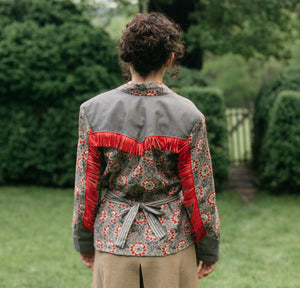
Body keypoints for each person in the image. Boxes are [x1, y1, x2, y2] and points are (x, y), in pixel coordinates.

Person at [72, 12, 220, 288]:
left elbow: (86, 188)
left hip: (113, 239)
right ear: (170, 59)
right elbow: (201, 194)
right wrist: (209, 248)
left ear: (126, 58)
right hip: (171, 242)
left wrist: (83, 240)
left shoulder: (92, 111)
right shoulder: (189, 115)